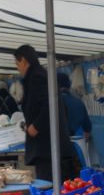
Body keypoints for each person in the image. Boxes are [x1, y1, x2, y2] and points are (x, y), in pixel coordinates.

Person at [13, 44, 79, 182]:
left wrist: (35, 127)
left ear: (24, 61)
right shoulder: (39, 75)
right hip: (48, 149)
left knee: (51, 188)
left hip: (47, 149)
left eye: (17, 63)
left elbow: (50, 105)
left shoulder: (37, 77)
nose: (17, 68)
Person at [56, 73, 91, 141]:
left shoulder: (51, 104)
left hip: (57, 143)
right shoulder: (78, 102)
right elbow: (87, 129)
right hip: (76, 144)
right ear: (69, 85)